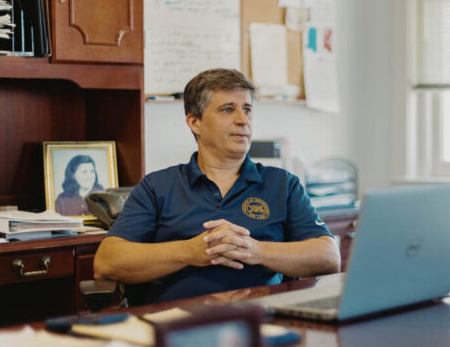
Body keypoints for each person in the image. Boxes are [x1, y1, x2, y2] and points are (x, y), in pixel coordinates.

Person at [93, 69, 340, 304]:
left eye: (247, 110)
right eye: (228, 110)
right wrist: (190, 251)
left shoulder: (283, 185)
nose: (243, 120)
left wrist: (256, 251)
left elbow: (329, 257)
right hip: (175, 326)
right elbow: (106, 262)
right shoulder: (157, 187)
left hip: (261, 324)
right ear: (194, 122)